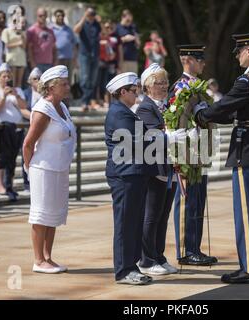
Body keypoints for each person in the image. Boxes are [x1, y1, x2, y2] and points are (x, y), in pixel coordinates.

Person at [193, 32, 249, 284]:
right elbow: (233, 112)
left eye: (240, 51)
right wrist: (212, 114)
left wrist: (201, 115)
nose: (238, 56)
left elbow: (225, 106)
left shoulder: (248, 80)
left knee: (247, 214)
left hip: (247, 150)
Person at [105, 72, 157, 285]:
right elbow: (137, 140)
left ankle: (131, 265)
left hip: (134, 174)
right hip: (125, 175)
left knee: (133, 223)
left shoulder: (126, 112)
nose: (137, 93)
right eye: (133, 90)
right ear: (122, 92)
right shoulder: (119, 114)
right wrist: (165, 137)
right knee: (125, 223)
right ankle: (124, 270)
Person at [23, 65, 76, 274]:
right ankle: (38, 260)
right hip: (43, 169)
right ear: (51, 87)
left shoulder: (62, 107)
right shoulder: (42, 109)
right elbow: (28, 144)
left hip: (59, 168)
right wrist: (30, 169)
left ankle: (48, 257)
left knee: (53, 215)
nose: (67, 86)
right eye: (63, 84)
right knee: (41, 215)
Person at [170, 44, 218, 266]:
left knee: (198, 203)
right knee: (187, 202)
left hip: (198, 155)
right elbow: (176, 123)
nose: (204, 63)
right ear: (188, 60)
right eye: (200, 59)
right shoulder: (181, 88)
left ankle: (195, 248)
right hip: (186, 156)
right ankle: (186, 250)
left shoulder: (196, 88)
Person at [136, 63, 185, 275]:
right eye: (158, 82)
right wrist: (173, 135)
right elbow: (153, 136)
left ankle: (158, 255)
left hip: (170, 167)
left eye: (165, 81)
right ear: (147, 86)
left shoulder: (169, 105)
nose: (164, 85)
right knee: (151, 215)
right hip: (154, 167)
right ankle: (146, 260)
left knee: (163, 215)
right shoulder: (146, 107)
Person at [0, 63, 30, 201]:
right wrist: (4, 96)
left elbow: (24, 106)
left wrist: (16, 95)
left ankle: (9, 184)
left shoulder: (17, 90)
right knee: (2, 158)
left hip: (16, 129)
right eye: (4, 76)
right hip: (1, 129)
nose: (6, 78)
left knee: (12, 158)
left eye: (8, 76)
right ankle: (0, 184)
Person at [73, 7, 101, 111]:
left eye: (93, 14)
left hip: (95, 54)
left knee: (93, 80)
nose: (91, 16)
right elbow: (76, 30)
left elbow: (103, 33)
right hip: (84, 54)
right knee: (85, 79)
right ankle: (84, 102)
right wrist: (84, 17)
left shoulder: (96, 24)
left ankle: (89, 102)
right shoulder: (82, 22)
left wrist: (99, 20)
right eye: (89, 14)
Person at [1, 7, 27, 88]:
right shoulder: (7, 31)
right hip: (12, 60)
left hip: (21, 60)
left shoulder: (23, 32)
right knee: (12, 82)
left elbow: (24, 46)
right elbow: (6, 45)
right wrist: (18, 43)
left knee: (19, 84)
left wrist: (21, 35)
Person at [27, 8, 57, 73]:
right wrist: (32, 63)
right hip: (37, 64)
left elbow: (54, 47)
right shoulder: (32, 30)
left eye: (44, 15)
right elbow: (29, 48)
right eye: (40, 16)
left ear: (46, 16)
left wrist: (55, 62)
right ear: (37, 16)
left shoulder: (50, 31)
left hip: (49, 64)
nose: (42, 17)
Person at [52, 9, 77, 84]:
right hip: (57, 58)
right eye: (58, 16)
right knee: (57, 79)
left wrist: (75, 58)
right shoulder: (51, 29)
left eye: (62, 15)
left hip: (69, 58)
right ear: (55, 17)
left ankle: (67, 95)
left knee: (68, 79)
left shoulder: (69, 29)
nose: (60, 17)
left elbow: (74, 44)